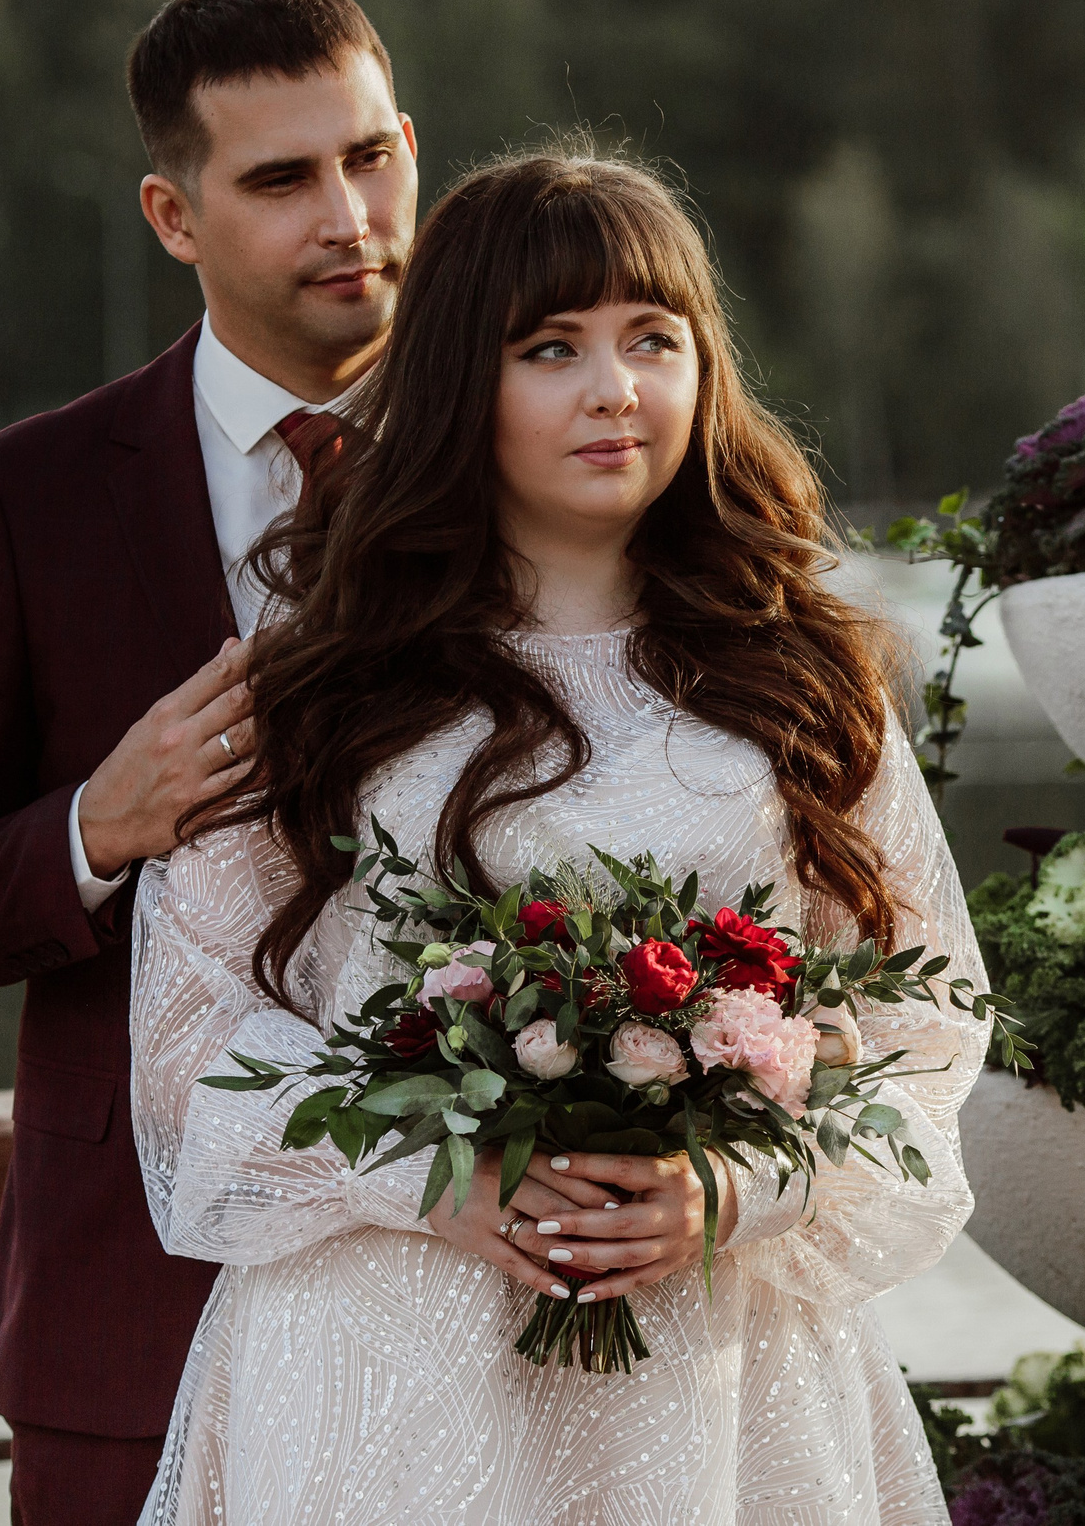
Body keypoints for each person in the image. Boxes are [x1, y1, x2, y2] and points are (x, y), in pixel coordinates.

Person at [127, 149, 985, 1524]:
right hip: (396, 1362)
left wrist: (736, 1184)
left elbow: (923, 1035)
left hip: (718, 1375)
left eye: (653, 339)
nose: (615, 390)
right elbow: (187, 1044)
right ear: (467, 378)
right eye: (551, 348)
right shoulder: (316, 679)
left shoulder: (804, 673)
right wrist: (430, 1176)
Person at [0, 0, 421, 1523]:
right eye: (284, 179)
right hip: (131, 1315)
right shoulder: (25, 502)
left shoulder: (528, 458)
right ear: (174, 216)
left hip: (469, 1301)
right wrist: (96, 822)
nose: (349, 214)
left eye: (371, 157)